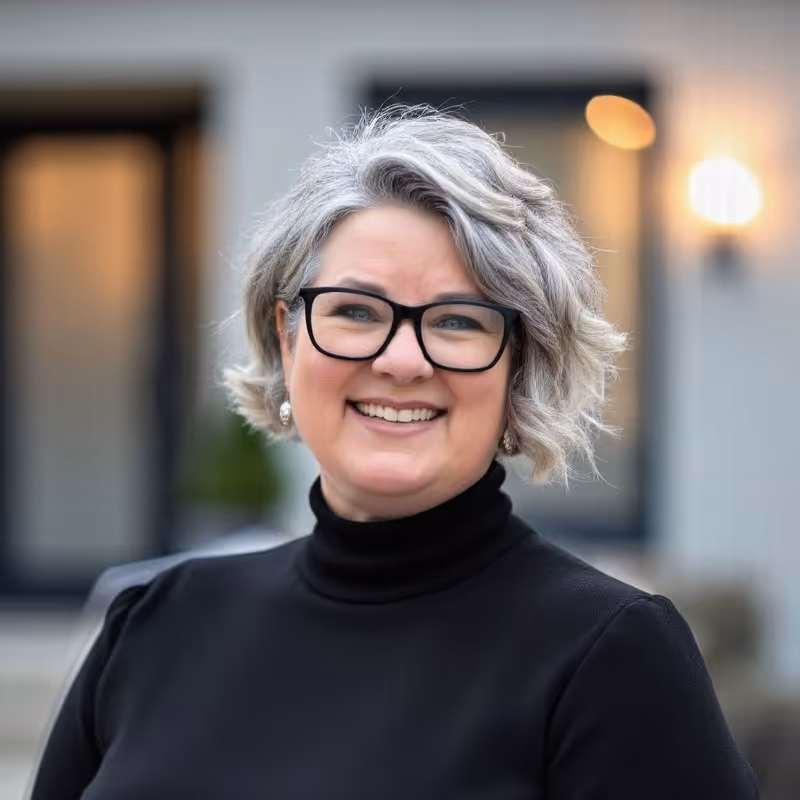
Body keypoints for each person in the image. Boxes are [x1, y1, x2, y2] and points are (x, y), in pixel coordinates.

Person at [31, 106, 758, 799]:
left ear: (518, 369)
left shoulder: (610, 655)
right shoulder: (155, 624)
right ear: (288, 339)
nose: (403, 360)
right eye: (354, 310)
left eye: (457, 321)